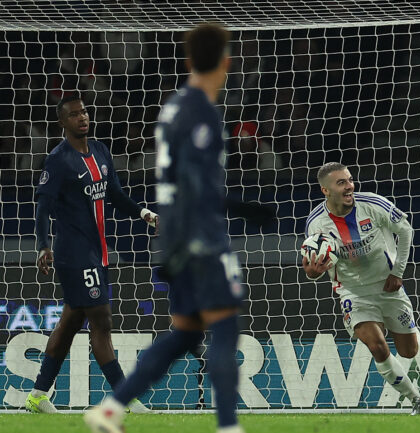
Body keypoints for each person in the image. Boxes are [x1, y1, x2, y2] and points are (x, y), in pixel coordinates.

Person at [85, 23, 272, 433]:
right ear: (226, 63)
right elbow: (195, 183)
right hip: (201, 238)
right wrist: (244, 208)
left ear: (188, 61)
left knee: (186, 334)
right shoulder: (202, 112)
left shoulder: (172, 108)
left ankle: (110, 409)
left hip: (174, 235)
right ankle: (228, 426)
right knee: (225, 327)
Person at [26, 94, 157, 414]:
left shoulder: (100, 151)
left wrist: (141, 212)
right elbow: (43, 207)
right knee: (101, 320)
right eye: (73, 115)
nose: (82, 117)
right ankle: (124, 397)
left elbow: (114, 194)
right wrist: (43, 244)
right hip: (73, 254)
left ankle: (37, 395)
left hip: (98, 253)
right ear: (63, 122)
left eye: (84, 112)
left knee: (71, 323)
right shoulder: (58, 160)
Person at [303, 162, 420, 415]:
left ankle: (394, 328)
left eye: (349, 180)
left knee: (409, 350)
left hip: (388, 287)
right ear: (325, 190)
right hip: (353, 293)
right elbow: (311, 266)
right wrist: (313, 274)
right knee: (377, 345)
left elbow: (405, 230)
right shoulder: (316, 224)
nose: (350, 186)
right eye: (341, 183)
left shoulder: (372, 204)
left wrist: (397, 273)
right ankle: (416, 401)